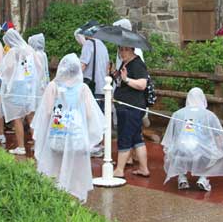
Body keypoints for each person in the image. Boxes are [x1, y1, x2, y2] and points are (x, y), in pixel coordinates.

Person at [31, 54, 105, 203]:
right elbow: (91, 114)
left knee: (56, 167)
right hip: (76, 136)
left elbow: (46, 112)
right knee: (76, 169)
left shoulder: (53, 86)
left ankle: (58, 198)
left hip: (57, 134)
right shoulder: (83, 88)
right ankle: (74, 199)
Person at [162, 87, 223, 192]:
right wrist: (222, 149)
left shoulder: (178, 113)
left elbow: (170, 136)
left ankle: (182, 177)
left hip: (180, 148)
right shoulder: (209, 115)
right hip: (201, 149)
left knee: (177, 150)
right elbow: (218, 135)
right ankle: (203, 178)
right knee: (214, 152)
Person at [0, 29, 43, 156]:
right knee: (31, 115)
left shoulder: (14, 51)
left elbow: (8, 69)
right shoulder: (30, 49)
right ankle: (37, 144)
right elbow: (39, 67)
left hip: (18, 85)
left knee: (17, 116)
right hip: (31, 85)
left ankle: (21, 146)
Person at [113, 45, 150, 178]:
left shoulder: (137, 64)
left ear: (132, 49)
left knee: (125, 136)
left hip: (131, 107)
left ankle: (119, 169)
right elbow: (120, 81)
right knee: (136, 138)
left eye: (125, 50)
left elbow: (142, 84)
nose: (122, 53)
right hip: (126, 106)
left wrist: (127, 80)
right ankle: (143, 168)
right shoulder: (125, 62)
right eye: (120, 50)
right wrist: (113, 74)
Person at [77, 24, 109, 157]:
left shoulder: (88, 44)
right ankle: (101, 145)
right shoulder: (103, 45)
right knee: (100, 117)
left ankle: (93, 146)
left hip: (91, 86)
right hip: (103, 86)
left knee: (89, 116)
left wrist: (73, 77)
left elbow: (83, 64)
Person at [28, 33, 50, 100]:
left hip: (38, 81)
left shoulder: (37, 54)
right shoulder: (43, 53)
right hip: (43, 80)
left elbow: (39, 70)